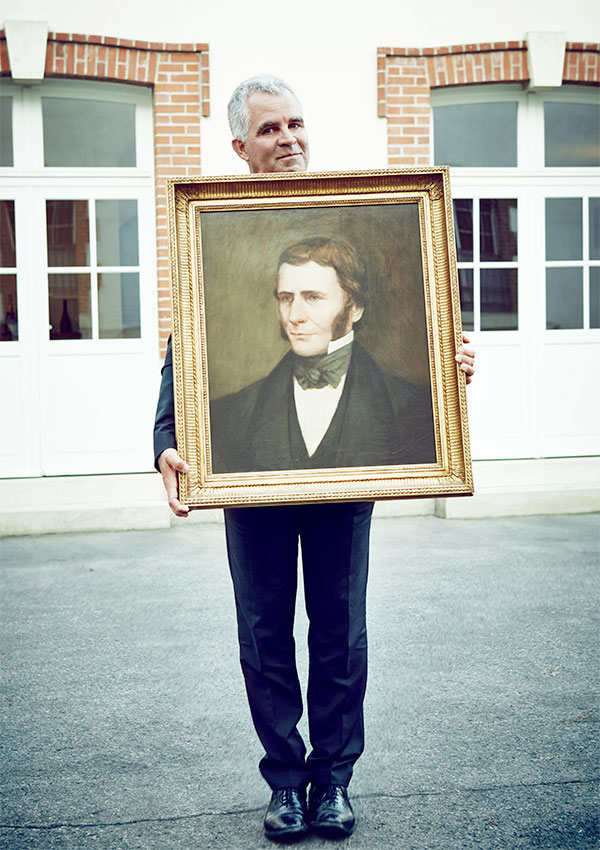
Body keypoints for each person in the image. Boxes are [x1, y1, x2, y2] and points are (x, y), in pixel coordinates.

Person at [154, 75, 475, 843]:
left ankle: (334, 780)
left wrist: (447, 364)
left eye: (297, 122)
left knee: (339, 631)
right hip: (250, 470)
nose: (290, 138)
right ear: (240, 146)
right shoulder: (212, 225)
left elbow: (429, 332)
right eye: (270, 129)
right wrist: (168, 437)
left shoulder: (357, 211)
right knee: (264, 634)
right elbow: (183, 355)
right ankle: (286, 784)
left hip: (348, 471)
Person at [210, 235, 436, 473]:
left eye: (313, 298)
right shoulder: (232, 413)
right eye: (286, 298)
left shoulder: (412, 407)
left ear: (355, 308)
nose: (295, 316)